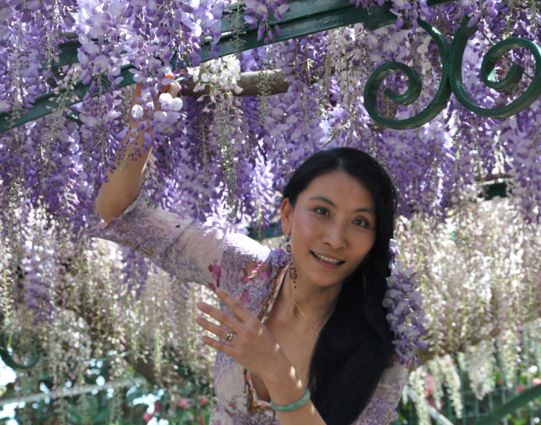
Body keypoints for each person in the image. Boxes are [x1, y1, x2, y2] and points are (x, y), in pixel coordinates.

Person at [94, 77, 420, 425]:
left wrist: (276, 370)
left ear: (376, 239)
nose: (335, 239)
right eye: (322, 212)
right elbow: (120, 214)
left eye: (360, 223)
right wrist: (142, 125)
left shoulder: (386, 340)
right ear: (287, 216)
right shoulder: (245, 269)